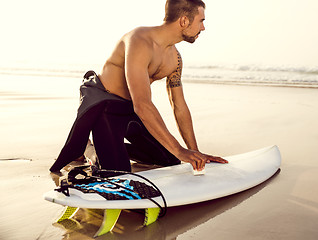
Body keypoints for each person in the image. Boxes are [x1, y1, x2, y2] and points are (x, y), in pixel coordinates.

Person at [50, 0, 228, 173]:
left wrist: (194, 153)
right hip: (107, 106)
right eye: (201, 21)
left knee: (170, 160)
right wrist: (181, 150)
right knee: (115, 172)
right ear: (184, 20)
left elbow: (179, 106)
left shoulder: (175, 59)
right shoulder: (140, 41)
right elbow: (142, 104)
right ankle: (90, 150)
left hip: (131, 110)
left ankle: (111, 147)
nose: (203, 28)